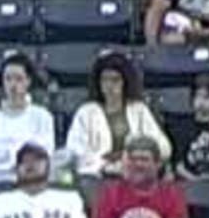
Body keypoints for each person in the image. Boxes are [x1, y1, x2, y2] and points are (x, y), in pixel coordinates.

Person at [65, 52, 165, 184]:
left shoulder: (139, 110)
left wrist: (135, 161)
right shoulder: (86, 112)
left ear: (125, 82)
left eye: (115, 80)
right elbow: (75, 151)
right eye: (104, 79)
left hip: (135, 176)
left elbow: (162, 146)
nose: (109, 85)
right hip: (97, 178)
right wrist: (104, 166)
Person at [0, 53, 59, 186]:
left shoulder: (43, 116)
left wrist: (3, 152)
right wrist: (18, 151)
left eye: (18, 79)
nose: (13, 85)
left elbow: (44, 152)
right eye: (8, 79)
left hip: (29, 183)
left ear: (28, 81)